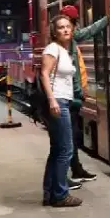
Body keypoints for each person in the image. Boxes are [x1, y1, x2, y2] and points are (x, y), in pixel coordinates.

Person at [59, 0, 110, 183]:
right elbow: (70, 72)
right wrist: (79, 93)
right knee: (68, 138)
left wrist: (107, 18)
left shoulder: (69, 40)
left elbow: (86, 33)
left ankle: (76, 169)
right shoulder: (62, 45)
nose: (73, 27)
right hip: (67, 97)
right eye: (72, 22)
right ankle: (63, 178)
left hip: (70, 96)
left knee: (72, 136)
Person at [40, 15, 81, 207]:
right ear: (54, 32)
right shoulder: (53, 49)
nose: (65, 30)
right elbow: (44, 74)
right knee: (66, 150)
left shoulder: (64, 50)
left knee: (57, 150)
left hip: (62, 101)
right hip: (58, 102)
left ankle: (50, 193)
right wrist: (52, 100)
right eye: (61, 27)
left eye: (68, 27)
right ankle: (60, 195)